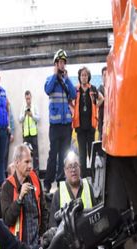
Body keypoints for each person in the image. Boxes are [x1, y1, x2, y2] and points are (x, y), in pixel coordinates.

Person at [43, 49, 76, 194]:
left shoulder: (66, 81)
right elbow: (47, 89)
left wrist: (67, 79)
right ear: (56, 64)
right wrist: (55, 75)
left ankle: (62, 181)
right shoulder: (51, 80)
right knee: (53, 155)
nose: (63, 65)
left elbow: (74, 94)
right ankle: (47, 183)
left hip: (66, 125)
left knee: (64, 155)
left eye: (64, 63)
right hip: (55, 126)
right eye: (60, 62)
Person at [72, 66, 102, 179]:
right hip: (80, 127)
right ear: (79, 77)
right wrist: (72, 110)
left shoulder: (93, 89)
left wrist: (96, 107)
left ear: (88, 77)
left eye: (85, 75)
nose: (84, 77)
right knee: (82, 154)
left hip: (90, 126)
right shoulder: (76, 89)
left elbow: (101, 99)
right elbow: (71, 101)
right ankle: (83, 177)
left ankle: (94, 177)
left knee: (92, 153)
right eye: (82, 75)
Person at [19, 90, 40, 173]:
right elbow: (20, 119)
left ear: (31, 98)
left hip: (33, 134)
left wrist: (32, 115)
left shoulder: (34, 107)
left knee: (35, 154)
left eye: (29, 98)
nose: (28, 100)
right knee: (25, 154)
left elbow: (38, 118)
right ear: (25, 98)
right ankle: (26, 171)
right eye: (26, 98)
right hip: (26, 135)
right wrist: (24, 114)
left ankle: (36, 172)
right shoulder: (22, 108)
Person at [97, 66, 107, 141]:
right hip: (101, 121)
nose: (106, 77)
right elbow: (96, 104)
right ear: (102, 76)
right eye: (104, 75)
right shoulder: (99, 89)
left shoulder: (113, 89)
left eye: (108, 75)